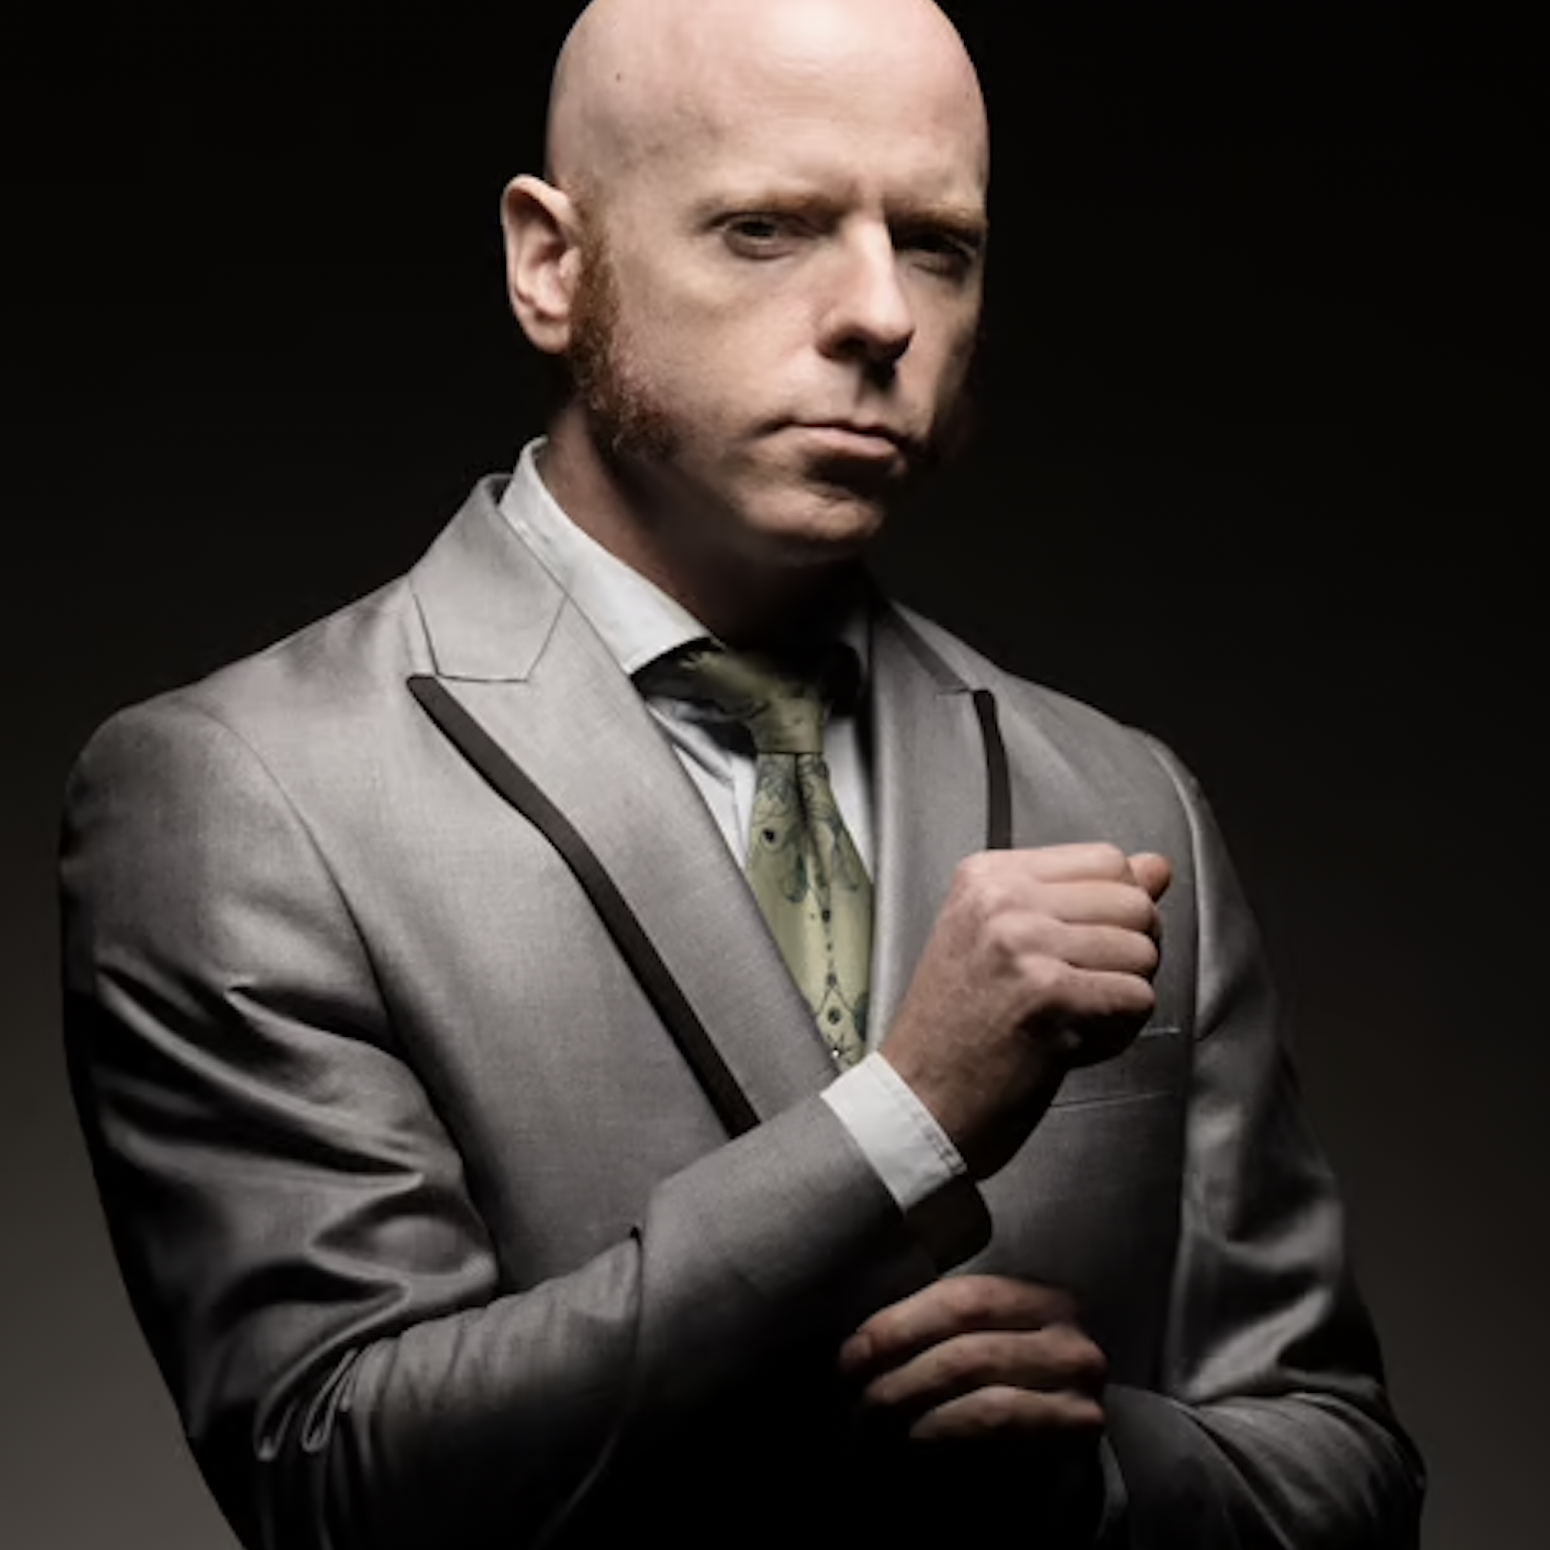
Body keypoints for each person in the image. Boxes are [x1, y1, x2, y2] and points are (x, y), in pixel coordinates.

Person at [59, 0, 1424, 1545]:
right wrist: (901, 1118)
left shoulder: (1124, 796)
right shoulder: (244, 792)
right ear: (549, 264)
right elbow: (336, 1478)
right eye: (769, 229)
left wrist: (1099, 1472)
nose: (880, 316)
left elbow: (1343, 1463)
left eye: (937, 244)